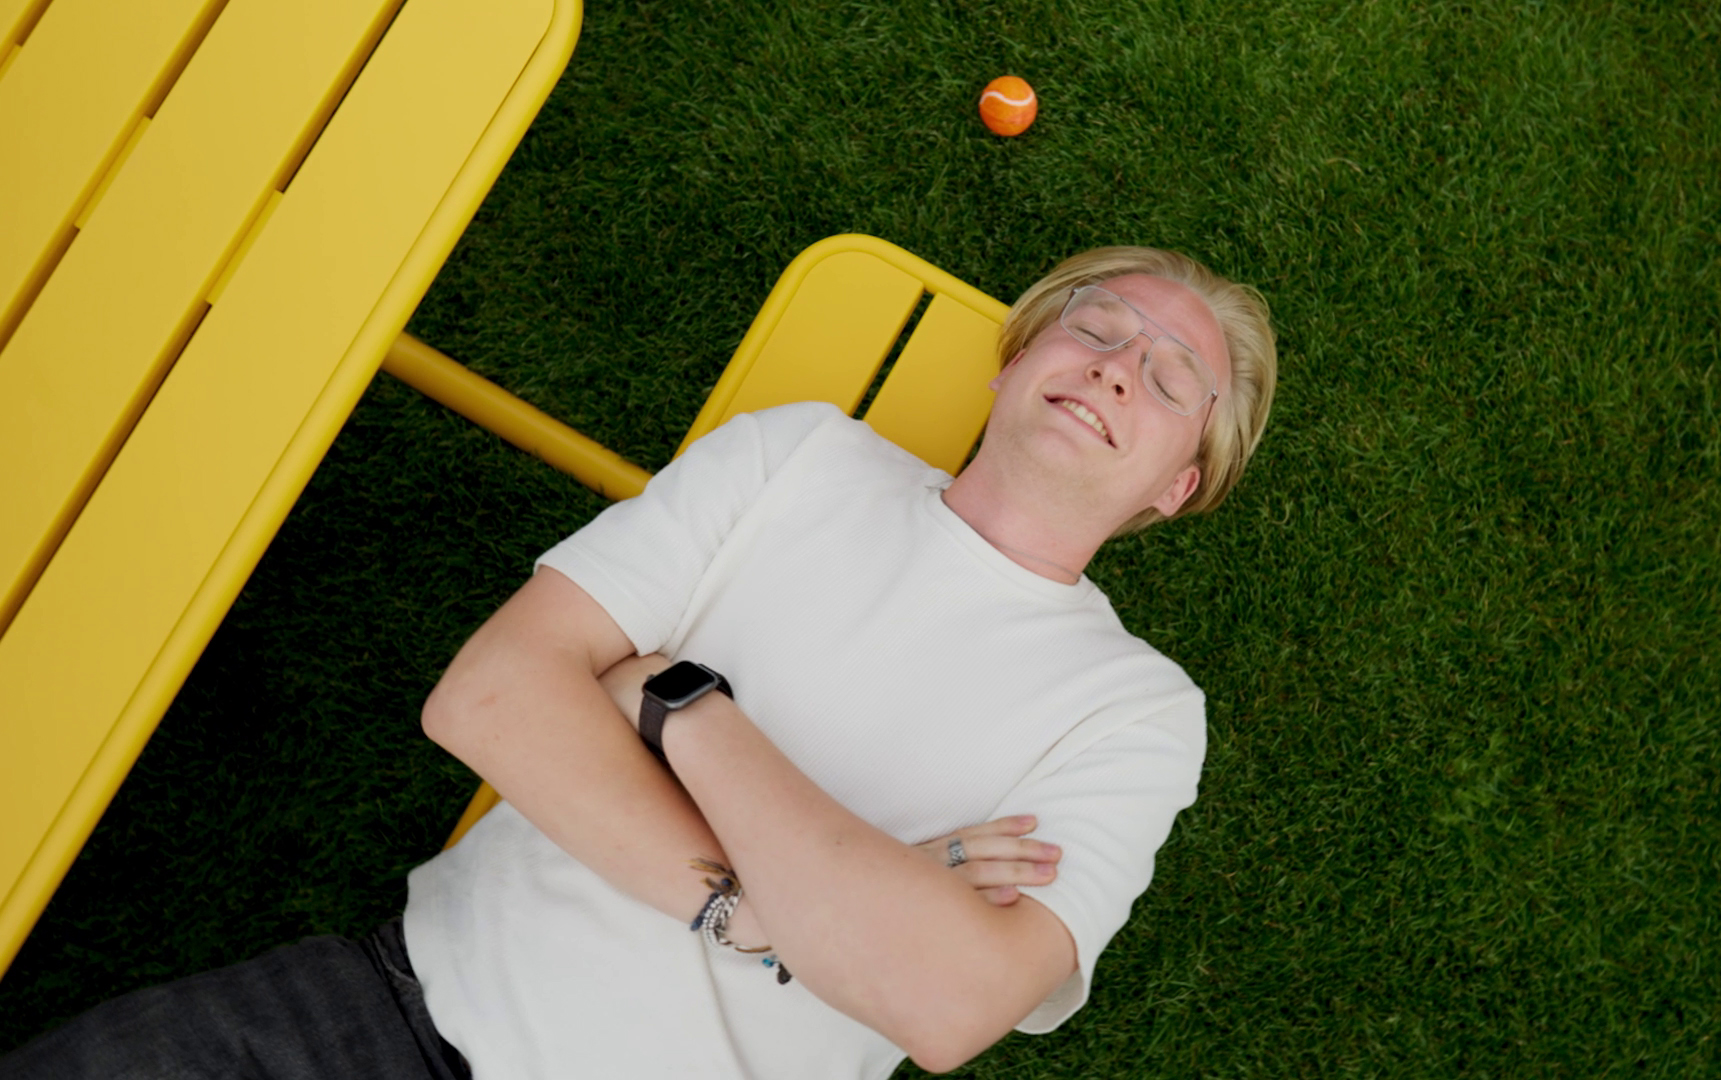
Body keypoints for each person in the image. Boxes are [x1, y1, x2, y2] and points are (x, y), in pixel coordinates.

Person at [0, 246, 1277, 1079]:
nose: (1116, 365)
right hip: (372, 1022)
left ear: (1178, 484)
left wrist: (673, 702)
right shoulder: (802, 459)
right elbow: (490, 698)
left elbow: (946, 1003)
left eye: (1171, 380)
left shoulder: (1138, 712)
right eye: (1096, 328)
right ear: (1014, 363)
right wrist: (796, 910)